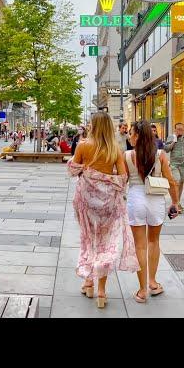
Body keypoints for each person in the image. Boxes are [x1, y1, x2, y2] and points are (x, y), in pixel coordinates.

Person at [67, 111, 139, 309]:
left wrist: (87, 171)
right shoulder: (115, 149)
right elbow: (123, 178)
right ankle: (101, 291)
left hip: (86, 200)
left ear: (93, 126)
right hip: (108, 202)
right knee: (106, 244)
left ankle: (88, 282)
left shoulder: (83, 145)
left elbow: (73, 169)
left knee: (89, 239)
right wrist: (107, 178)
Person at [126, 120, 179, 303]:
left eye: (131, 133)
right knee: (154, 241)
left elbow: (122, 181)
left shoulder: (127, 156)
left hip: (135, 199)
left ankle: (142, 290)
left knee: (139, 245)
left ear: (138, 135)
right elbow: (171, 181)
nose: (129, 136)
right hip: (156, 199)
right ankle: (153, 282)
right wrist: (175, 203)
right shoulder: (160, 155)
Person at [164, 122, 184, 213]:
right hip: (174, 163)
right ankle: (176, 203)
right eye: (178, 129)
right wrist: (173, 142)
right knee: (176, 181)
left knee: (181, 182)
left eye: (182, 129)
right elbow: (166, 149)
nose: (180, 131)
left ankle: (177, 202)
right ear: (175, 130)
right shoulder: (171, 137)